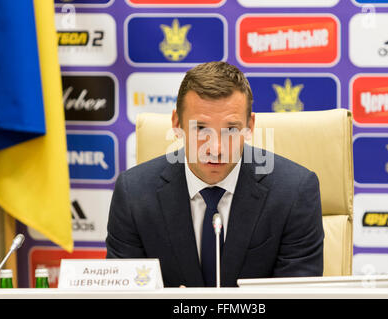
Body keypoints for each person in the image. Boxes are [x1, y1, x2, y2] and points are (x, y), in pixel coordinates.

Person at [105, 61, 324, 287]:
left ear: (249, 126)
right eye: (201, 129)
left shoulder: (294, 192)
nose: (216, 148)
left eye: (230, 130)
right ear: (177, 124)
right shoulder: (133, 194)